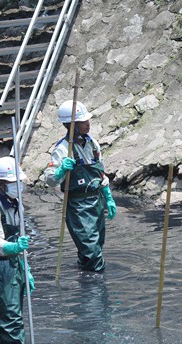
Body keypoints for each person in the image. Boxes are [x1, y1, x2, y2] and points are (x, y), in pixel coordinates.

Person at [44, 100, 117, 272]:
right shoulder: (62, 150)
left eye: (87, 120)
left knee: (96, 245)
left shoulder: (93, 144)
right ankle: (98, 285)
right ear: (71, 125)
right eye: (83, 122)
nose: (87, 124)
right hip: (78, 207)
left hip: (96, 201)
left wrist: (108, 196)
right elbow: (49, 180)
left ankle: (85, 280)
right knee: (92, 251)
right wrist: (61, 170)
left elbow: (100, 173)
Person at [0, 156, 35, 344]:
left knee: (15, 314)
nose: (19, 186)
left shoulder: (17, 205)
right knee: (10, 321)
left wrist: (26, 268)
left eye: (20, 182)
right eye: (13, 182)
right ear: (1, 184)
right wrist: (15, 247)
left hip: (15, 264)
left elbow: (21, 239)